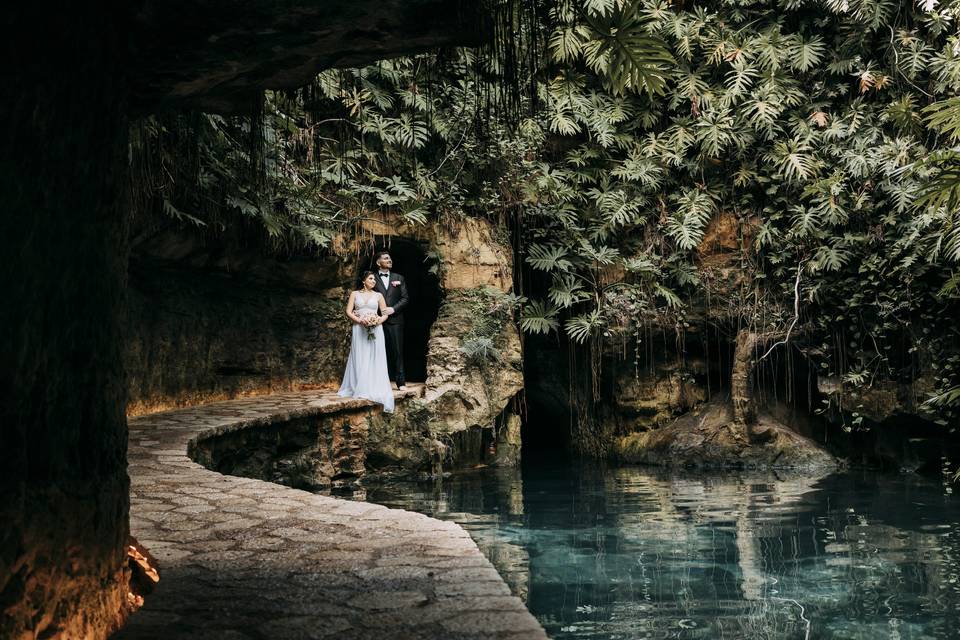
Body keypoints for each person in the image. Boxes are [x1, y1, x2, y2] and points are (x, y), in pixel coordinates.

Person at [337, 271, 394, 412]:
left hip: (376, 329)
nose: (374, 281)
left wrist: (378, 320)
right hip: (359, 328)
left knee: (375, 356)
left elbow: (385, 312)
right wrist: (360, 320)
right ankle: (358, 385)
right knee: (360, 355)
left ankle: (373, 385)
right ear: (364, 281)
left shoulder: (379, 295)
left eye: (374, 279)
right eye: (371, 278)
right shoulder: (355, 294)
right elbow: (349, 311)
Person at [372, 250, 409, 390]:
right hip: (377, 320)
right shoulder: (373, 278)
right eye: (386, 258)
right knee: (378, 351)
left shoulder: (399, 277)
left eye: (390, 258)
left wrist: (393, 309)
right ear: (378, 262)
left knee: (397, 351)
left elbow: (405, 298)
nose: (390, 260)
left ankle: (401, 382)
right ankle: (379, 382)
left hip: (396, 320)